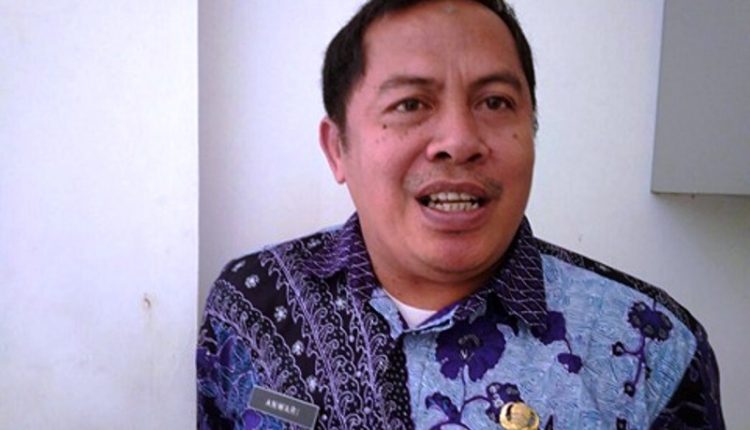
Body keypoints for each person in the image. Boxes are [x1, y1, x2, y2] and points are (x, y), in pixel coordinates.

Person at [197, 0, 725, 428]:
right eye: (410, 104)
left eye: (494, 102)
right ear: (338, 149)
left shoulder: (654, 348)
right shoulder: (252, 305)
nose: (459, 140)